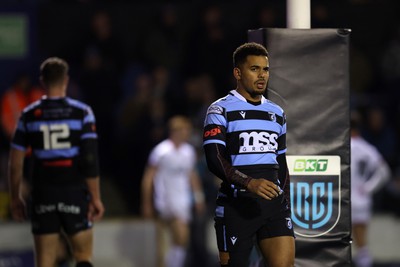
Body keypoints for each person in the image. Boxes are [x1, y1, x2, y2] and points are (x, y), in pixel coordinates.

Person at [202, 42, 295, 267]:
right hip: (237, 206)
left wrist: (286, 202)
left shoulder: (277, 112)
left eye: (265, 69)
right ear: (238, 72)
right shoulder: (219, 109)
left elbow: (280, 161)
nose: (262, 75)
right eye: (254, 69)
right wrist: (249, 183)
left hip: (273, 207)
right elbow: (214, 160)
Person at [8, 57, 104, 267]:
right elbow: (89, 159)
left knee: (44, 261)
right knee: (83, 255)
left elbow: (15, 163)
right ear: (66, 80)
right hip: (72, 190)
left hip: (43, 192)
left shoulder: (29, 115)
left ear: (42, 81)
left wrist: (15, 197)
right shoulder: (82, 113)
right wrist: (95, 197)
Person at [141, 115, 205, 267]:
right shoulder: (161, 151)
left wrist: (198, 198)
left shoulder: (188, 152)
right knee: (175, 238)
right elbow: (148, 178)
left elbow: (192, 176)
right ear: (175, 131)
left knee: (179, 240)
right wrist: (147, 203)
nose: (188, 133)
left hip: (182, 200)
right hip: (164, 200)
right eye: (185, 130)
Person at [350, 111, 391, 267]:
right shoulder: (368, 148)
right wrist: (368, 188)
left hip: (344, 198)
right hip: (361, 198)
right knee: (361, 241)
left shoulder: (343, 146)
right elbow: (384, 172)